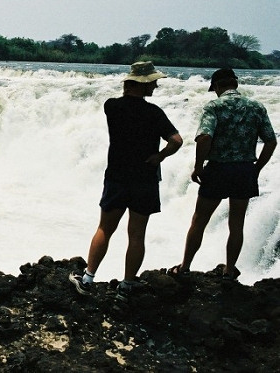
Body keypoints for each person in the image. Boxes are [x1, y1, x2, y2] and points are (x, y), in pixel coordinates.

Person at [69, 61, 183, 303]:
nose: (155, 86)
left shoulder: (112, 107)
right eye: (152, 82)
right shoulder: (154, 113)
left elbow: (123, 103)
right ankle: (127, 285)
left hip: (118, 176)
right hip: (145, 178)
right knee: (137, 235)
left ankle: (88, 279)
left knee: (105, 229)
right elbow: (176, 140)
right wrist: (159, 156)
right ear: (141, 84)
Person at [168, 68, 276, 280]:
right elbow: (271, 141)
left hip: (218, 169)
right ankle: (229, 270)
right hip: (244, 170)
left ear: (217, 86)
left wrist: (199, 166)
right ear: (235, 84)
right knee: (236, 224)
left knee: (199, 221)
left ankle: (184, 267)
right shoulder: (256, 107)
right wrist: (256, 169)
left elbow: (205, 137)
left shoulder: (214, 106)